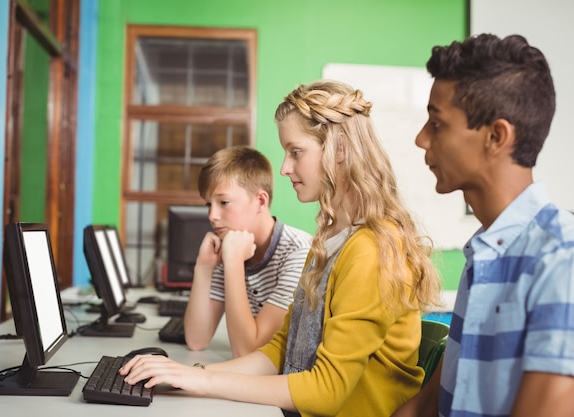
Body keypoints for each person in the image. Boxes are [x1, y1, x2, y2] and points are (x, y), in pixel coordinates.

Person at [120, 80, 442, 417]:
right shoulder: (331, 240)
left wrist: (202, 382)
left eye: (296, 152)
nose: (285, 167)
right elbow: (281, 348)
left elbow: (326, 391)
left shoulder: (370, 250)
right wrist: (191, 375)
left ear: (340, 150)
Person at [392, 34, 574, 417]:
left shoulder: (565, 259)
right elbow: (426, 406)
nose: (421, 139)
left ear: (496, 136)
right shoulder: (483, 254)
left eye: (437, 123)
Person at [183, 146, 312, 358]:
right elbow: (196, 340)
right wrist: (204, 267)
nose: (212, 215)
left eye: (223, 202)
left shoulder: (299, 252)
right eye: (208, 204)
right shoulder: (230, 244)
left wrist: (233, 261)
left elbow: (248, 351)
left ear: (260, 201)